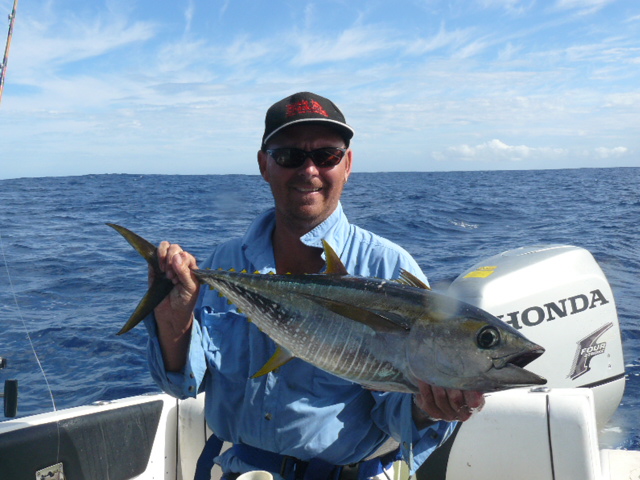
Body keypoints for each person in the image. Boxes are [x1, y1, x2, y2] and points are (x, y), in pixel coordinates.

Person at [144, 92, 484, 480]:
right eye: (289, 156)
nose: (309, 170)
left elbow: (397, 420)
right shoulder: (225, 261)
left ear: (347, 164)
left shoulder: (387, 268)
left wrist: (429, 406)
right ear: (264, 165)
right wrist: (174, 321)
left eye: (327, 156)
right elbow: (185, 385)